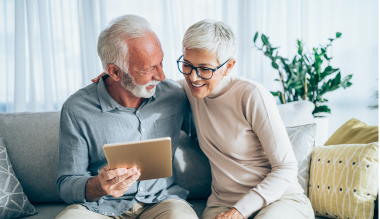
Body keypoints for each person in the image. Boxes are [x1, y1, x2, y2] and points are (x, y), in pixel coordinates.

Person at [56, 15, 198, 219]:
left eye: (161, 63)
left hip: (161, 202)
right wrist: (100, 185)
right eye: (148, 70)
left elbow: (208, 135)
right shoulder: (77, 109)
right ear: (115, 72)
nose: (161, 76)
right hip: (100, 208)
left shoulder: (174, 95)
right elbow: (66, 183)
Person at [176, 20, 315, 219]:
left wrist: (239, 211)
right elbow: (150, 86)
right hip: (223, 204)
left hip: (279, 200)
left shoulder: (251, 95)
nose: (194, 77)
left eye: (205, 69)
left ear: (228, 66)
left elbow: (286, 167)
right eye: (187, 65)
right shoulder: (189, 90)